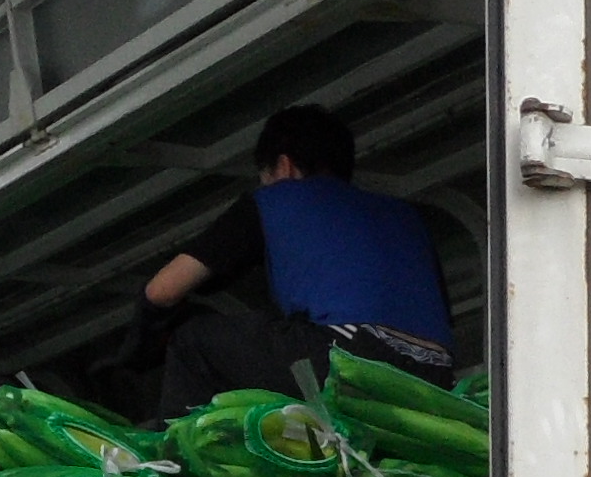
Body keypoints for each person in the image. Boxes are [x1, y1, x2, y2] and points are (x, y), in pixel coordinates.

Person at [129, 100, 457, 411]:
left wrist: (137, 349)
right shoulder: (407, 216)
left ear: (283, 166)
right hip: (434, 374)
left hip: (349, 356)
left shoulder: (275, 198)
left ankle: (173, 450)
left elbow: (162, 290)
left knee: (194, 342)